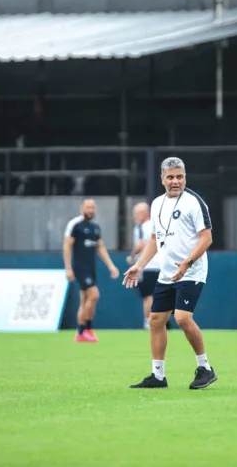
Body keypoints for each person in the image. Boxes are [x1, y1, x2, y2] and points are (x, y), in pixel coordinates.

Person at [123, 157, 217, 390]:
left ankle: (205, 368)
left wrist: (187, 262)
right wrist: (140, 264)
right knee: (156, 320)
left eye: (180, 177)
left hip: (192, 270)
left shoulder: (195, 203)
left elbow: (207, 238)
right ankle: (158, 376)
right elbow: (155, 239)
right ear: (162, 179)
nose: (176, 181)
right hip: (167, 273)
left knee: (183, 318)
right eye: (171, 177)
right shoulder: (156, 204)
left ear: (185, 177)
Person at [63, 198, 120, 343]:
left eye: (93, 208)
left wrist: (111, 266)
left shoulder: (95, 227)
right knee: (94, 295)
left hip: (91, 267)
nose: (91, 210)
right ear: (82, 208)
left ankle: (81, 333)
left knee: (85, 300)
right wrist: (68, 268)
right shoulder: (75, 225)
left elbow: (100, 248)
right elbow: (67, 247)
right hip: (80, 267)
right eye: (88, 207)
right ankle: (85, 329)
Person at [126, 202, 162, 330]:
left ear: (143, 213)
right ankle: (162, 321)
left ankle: (149, 322)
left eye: (136, 214)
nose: (135, 217)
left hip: (148, 266)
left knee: (148, 296)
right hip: (161, 266)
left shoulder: (141, 227)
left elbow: (140, 244)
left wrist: (132, 257)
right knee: (161, 295)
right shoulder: (158, 225)